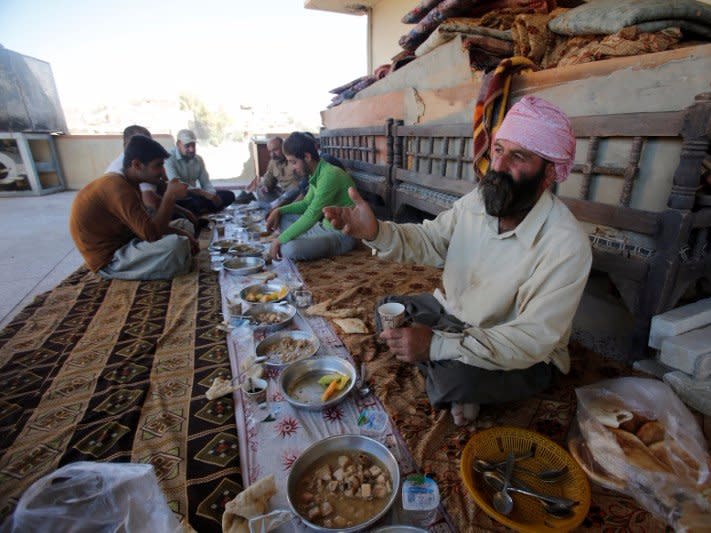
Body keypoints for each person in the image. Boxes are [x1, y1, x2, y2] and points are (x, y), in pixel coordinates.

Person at [323, 96, 592, 426]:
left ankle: (450, 376)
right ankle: (446, 372)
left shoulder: (567, 245)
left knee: (459, 378)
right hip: (456, 315)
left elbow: (530, 340)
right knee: (390, 309)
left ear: (549, 173)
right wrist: (377, 231)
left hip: (516, 347)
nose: (500, 166)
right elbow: (432, 240)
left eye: (518, 156)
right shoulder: (478, 201)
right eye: (498, 150)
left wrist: (434, 346)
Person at [70, 135, 199, 280]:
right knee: (178, 246)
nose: (163, 172)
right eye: (158, 165)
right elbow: (151, 234)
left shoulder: (129, 182)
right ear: (137, 165)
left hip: (128, 239)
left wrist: (184, 233)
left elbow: (146, 227)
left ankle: (176, 260)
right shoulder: (117, 187)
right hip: (112, 260)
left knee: (184, 225)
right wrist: (170, 196)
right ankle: (175, 262)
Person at [265, 132, 358, 261]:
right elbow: (306, 203)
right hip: (322, 227)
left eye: (294, 162)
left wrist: (279, 240)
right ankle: (302, 238)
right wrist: (279, 210)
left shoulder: (330, 175)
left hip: (341, 236)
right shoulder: (315, 172)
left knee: (290, 249)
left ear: (307, 157)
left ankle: (300, 239)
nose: (293, 168)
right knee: (282, 217)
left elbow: (311, 215)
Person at [106, 125, 199, 234]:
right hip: (120, 245)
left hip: (138, 231)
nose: (148, 147)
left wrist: (184, 213)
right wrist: (170, 196)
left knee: (185, 224)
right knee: (177, 242)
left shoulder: (135, 172)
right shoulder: (122, 181)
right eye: (141, 143)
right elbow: (151, 231)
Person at [165, 129, 235, 214]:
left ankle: (204, 210)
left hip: (198, 196)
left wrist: (212, 195)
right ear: (178, 144)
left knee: (229, 195)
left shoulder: (198, 159)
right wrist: (204, 194)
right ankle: (205, 209)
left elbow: (206, 183)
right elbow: (178, 185)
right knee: (193, 205)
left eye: (193, 145)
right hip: (182, 198)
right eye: (187, 146)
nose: (192, 149)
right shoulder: (169, 158)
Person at [235, 136, 300, 206]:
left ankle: (276, 205)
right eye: (270, 151)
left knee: (293, 193)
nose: (272, 154)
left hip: (296, 196)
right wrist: (264, 186)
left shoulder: (295, 160)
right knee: (260, 191)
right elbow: (268, 181)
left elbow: (304, 185)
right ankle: (275, 204)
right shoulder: (273, 162)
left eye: (275, 150)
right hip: (282, 195)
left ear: (283, 147)